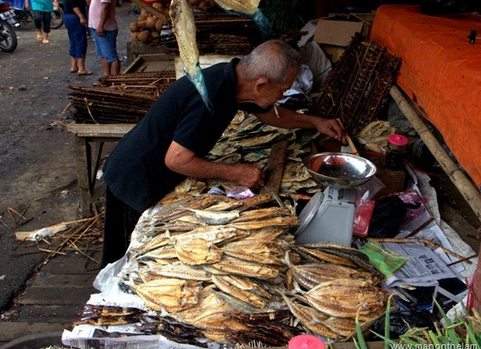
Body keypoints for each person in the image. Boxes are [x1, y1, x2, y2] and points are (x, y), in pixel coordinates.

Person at [100, 40, 346, 268]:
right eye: (282, 90)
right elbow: (176, 159)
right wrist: (235, 173)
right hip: (134, 178)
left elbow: (271, 115)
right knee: (128, 261)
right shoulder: (212, 96)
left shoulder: (235, 81)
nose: (282, 96)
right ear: (261, 84)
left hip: (151, 173)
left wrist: (315, 122)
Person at [87, 0, 120, 76]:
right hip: (96, 26)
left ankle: (116, 78)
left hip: (105, 28)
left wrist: (101, 25)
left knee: (110, 55)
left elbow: (105, 8)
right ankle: (106, 76)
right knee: (102, 54)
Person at [63, 0, 92, 75]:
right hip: (75, 17)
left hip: (67, 16)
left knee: (73, 41)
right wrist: (82, 17)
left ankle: (74, 66)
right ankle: (81, 68)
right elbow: (74, 5)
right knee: (80, 42)